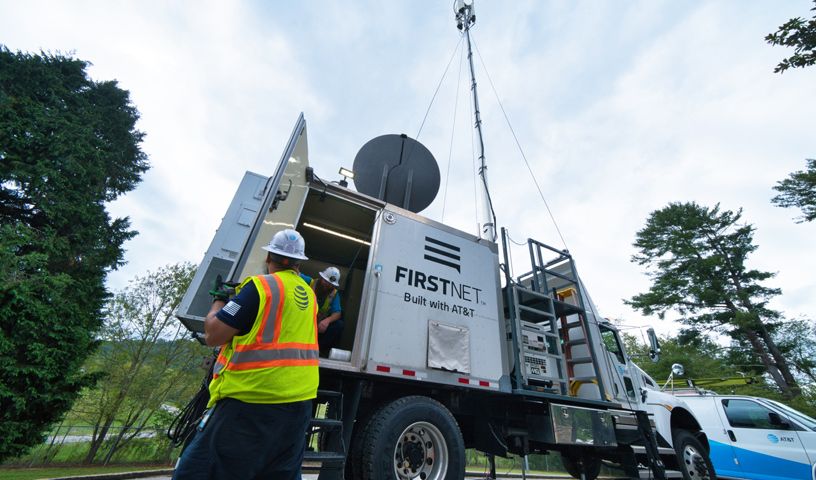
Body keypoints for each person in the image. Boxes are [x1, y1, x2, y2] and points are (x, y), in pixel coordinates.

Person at [173, 229, 318, 480]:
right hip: (299, 405)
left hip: (252, 401)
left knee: (196, 472)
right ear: (298, 263)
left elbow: (214, 335)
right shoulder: (309, 295)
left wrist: (219, 301)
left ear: (268, 257)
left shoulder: (261, 286)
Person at [300, 266, 343, 352]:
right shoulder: (309, 282)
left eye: (331, 285)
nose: (327, 286)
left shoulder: (333, 294)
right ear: (321, 278)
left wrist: (327, 321)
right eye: (326, 282)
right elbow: (295, 273)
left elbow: (337, 313)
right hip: (302, 322)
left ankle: (319, 350)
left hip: (317, 326)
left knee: (339, 325)